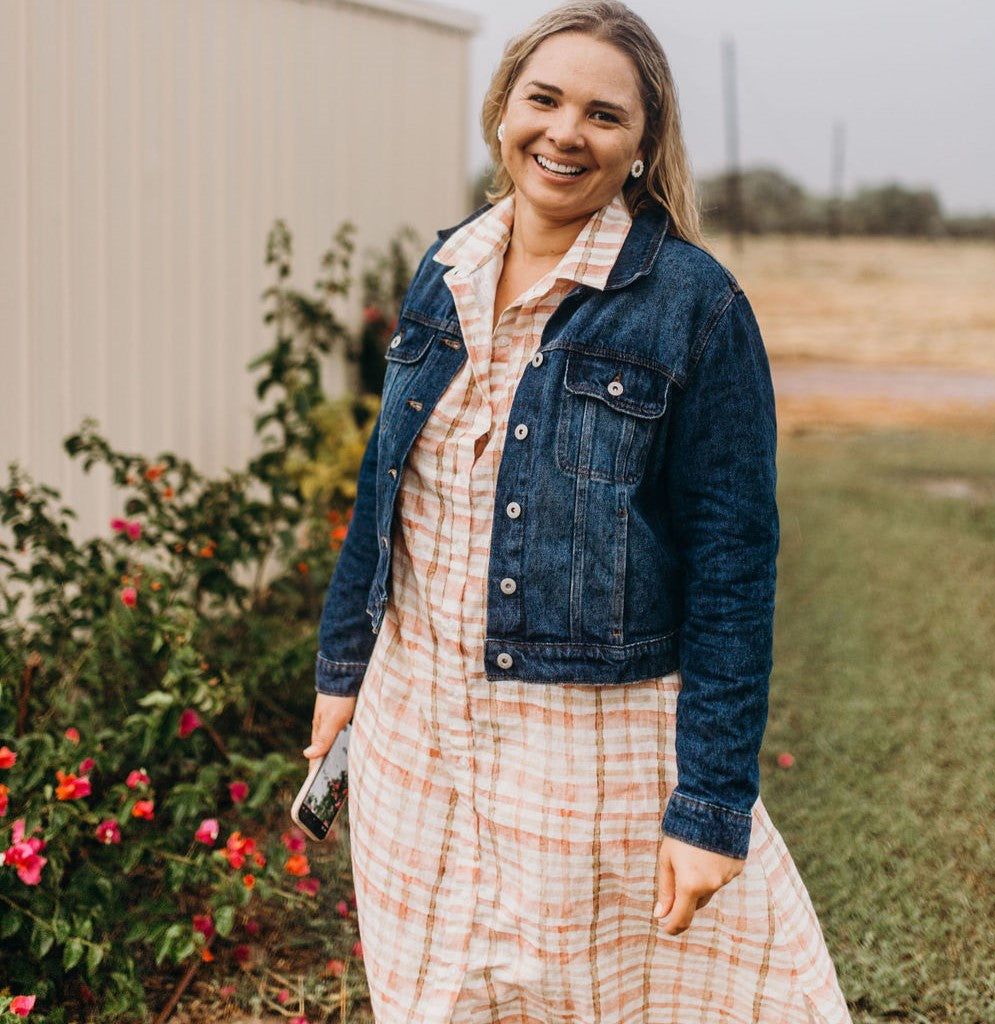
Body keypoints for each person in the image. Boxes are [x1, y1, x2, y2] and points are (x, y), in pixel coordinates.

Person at [305, 2, 851, 1021]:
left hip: (588, 751)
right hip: (416, 731)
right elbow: (386, 489)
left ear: (643, 147)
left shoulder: (694, 305)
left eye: (603, 115)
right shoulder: (446, 270)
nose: (564, 132)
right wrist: (343, 673)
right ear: (500, 109)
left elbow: (733, 561)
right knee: (444, 992)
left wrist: (710, 805)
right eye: (543, 99)